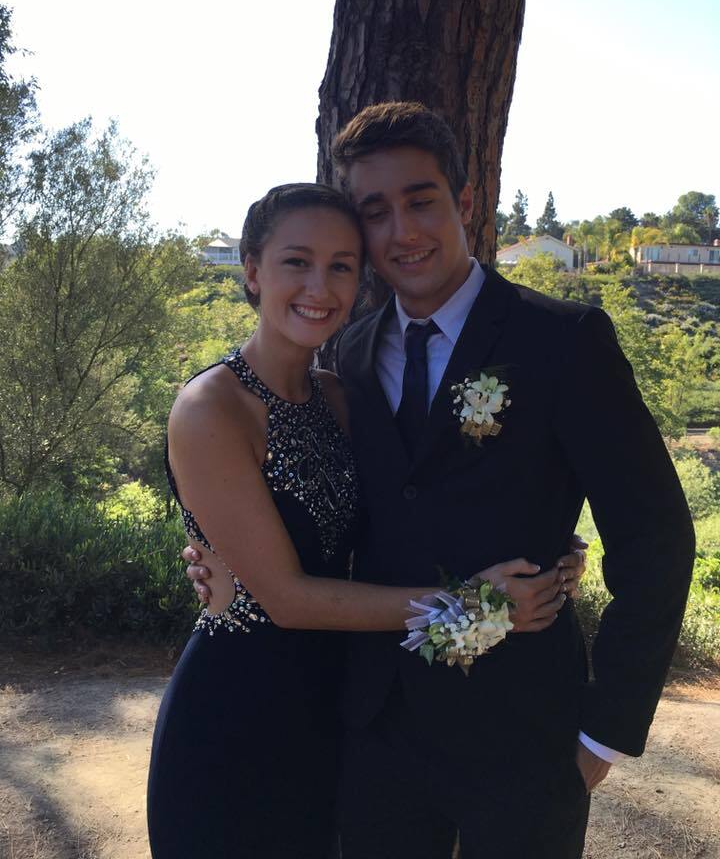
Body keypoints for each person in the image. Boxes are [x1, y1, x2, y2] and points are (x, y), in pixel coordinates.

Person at [186, 103, 694, 859]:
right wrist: (215, 553)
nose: (403, 231)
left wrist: (602, 736)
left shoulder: (563, 340)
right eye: (376, 212)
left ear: (465, 202)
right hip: (374, 736)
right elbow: (312, 508)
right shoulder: (348, 358)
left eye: (420, 200)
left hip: (528, 737)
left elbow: (655, 540)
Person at [147, 181, 585, 859]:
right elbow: (287, 599)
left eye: (342, 265)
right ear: (253, 270)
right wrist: (471, 609)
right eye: (297, 261)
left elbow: (415, 510)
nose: (320, 285)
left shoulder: (340, 394)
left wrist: (547, 541)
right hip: (237, 712)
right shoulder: (212, 408)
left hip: (343, 708)